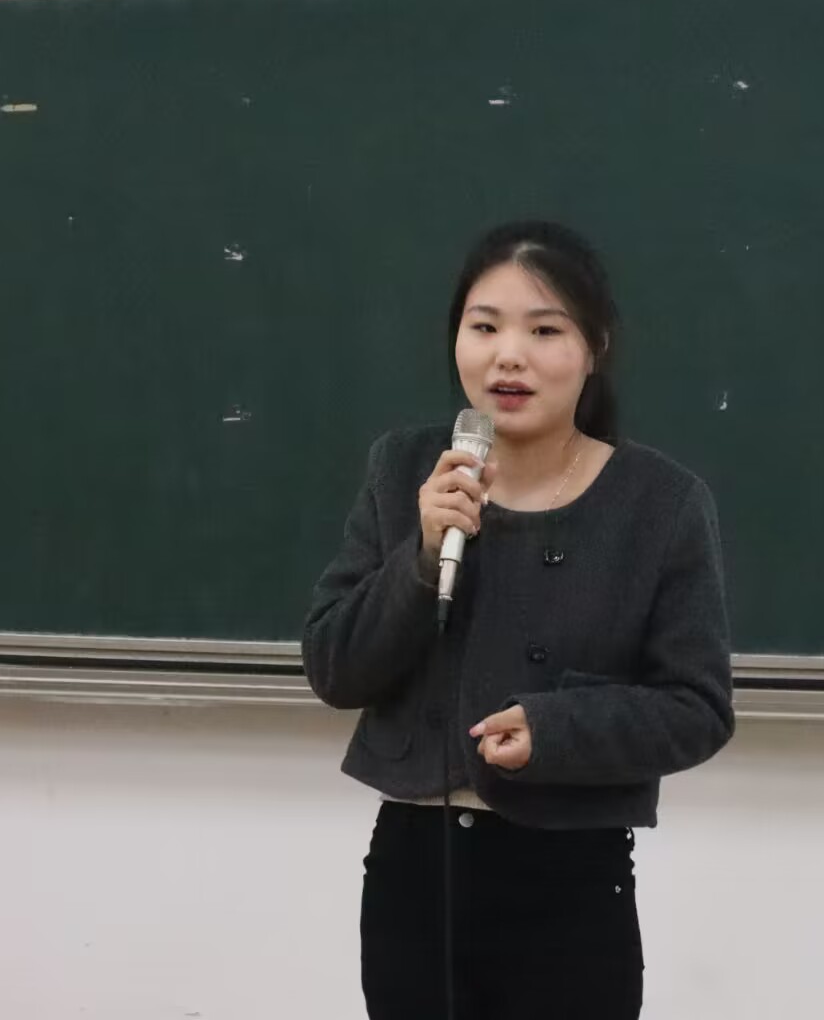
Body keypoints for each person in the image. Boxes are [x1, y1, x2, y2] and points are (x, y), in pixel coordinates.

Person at [302, 219, 735, 1019]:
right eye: (485, 327)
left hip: (569, 880)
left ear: (594, 347)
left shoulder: (660, 504)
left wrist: (556, 730)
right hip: (416, 873)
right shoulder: (405, 470)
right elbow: (335, 668)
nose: (509, 356)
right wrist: (421, 555)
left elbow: (697, 708)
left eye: (544, 330)